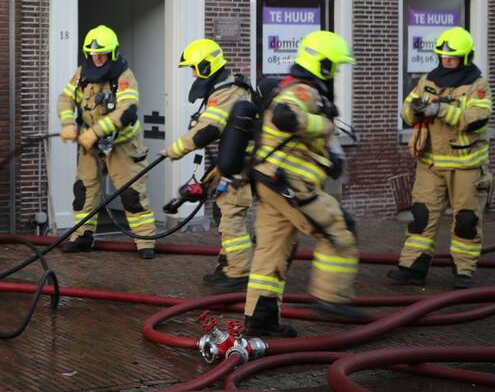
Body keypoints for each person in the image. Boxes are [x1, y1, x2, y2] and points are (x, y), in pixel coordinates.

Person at [244, 30, 363, 338]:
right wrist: (321, 124)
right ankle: (331, 299)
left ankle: (260, 321)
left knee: (271, 250)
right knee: (340, 230)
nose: (336, 72)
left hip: (268, 182)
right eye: (334, 66)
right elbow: (286, 116)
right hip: (290, 184)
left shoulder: (296, 88)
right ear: (322, 65)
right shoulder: (301, 92)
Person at [389, 26, 491, 289]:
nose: (447, 61)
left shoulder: (477, 85)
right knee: (421, 215)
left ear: (465, 57)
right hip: (431, 163)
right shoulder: (428, 80)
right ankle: (413, 266)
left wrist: (441, 109)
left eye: (452, 57)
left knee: (467, 220)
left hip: (466, 165)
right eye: (443, 56)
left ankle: (463, 271)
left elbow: (478, 118)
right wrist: (414, 109)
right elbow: (406, 110)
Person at [56, 25, 155, 259]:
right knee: (84, 190)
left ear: (112, 53)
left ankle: (145, 241)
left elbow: (127, 110)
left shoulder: (123, 75)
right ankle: (83, 235)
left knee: (132, 194)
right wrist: (68, 122)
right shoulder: (82, 73)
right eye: (92, 53)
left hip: (123, 145)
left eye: (101, 53)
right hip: (90, 146)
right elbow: (65, 98)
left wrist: (96, 131)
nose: (97, 58)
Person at [165, 39, 253, 291]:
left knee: (231, 216)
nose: (192, 73)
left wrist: (174, 150)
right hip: (232, 160)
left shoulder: (227, 91)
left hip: (241, 166)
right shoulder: (223, 87)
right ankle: (227, 265)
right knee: (223, 212)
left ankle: (238, 273)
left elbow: (208, 130)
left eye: (194, 67)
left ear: (206, 65)